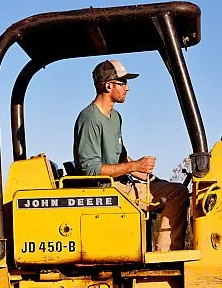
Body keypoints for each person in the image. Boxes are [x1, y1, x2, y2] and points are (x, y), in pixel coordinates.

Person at [72, 59, 189, 252]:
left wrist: (143, 173)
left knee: (172, 189)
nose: (128, 88)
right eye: (123, 82)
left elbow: (121, 158)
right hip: (105, 191)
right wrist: (134, 167)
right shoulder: (89, 118)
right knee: (177, 194)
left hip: (121, 184)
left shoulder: (115, 117)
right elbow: (90, 169)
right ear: (109, 85)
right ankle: (166, 256)